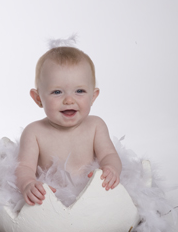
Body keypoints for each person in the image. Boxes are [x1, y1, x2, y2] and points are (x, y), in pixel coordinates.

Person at [16, 41, 122, 206]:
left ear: (93, 96)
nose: (69, 100)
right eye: (57, 92)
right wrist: (28, 184)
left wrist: (111, 169)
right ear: (38, 98)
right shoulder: (34, 133)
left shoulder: (95, 126)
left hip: (93, 199)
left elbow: (109, 155)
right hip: (50, 202)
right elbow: (24, 167)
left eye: (79, 91)